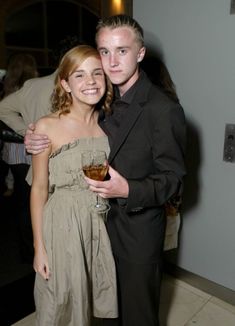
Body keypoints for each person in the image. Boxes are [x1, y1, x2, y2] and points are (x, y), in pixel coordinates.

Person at [26, 14, 186, 326]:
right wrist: (34, 136)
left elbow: (174, 180)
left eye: (122, 51)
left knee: (137, 316)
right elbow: (68, 130)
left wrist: (128, 190)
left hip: (134, 237)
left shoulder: (163, 110)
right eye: (104, 51)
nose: (112, 62)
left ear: (140, 54)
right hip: (89, 232)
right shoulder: (101, 100)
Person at [30, 45, 118, 325]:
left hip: (100, 223)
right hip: (61, 226)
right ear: (65, 84)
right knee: (60, 304)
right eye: (79, 75)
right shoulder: (46, 127)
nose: (90, 81)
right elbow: (39, 189)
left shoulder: (111, 126)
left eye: (97, 73)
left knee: (92, 301)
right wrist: (39, 247)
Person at [0, 53, 38, 262]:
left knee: (22, 201)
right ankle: (32, 248)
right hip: (28, 150)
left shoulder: (8, 89)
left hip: (13, 152)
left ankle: (25, 248)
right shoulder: (29, 89)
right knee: (31, 201)